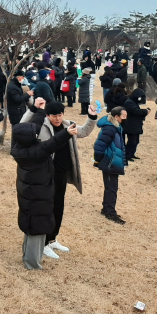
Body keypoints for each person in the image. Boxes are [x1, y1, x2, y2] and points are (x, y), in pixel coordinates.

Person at [21, 99, 97, 259]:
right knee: (46, 208)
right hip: (45, 174)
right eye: (54, 115)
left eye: (60, 115)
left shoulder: (68, 125)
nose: (57, 118)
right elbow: (22, 125)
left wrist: (91, 117)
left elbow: (83, 132)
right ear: (48, 115)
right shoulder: (41, 126)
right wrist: (34, 109)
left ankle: (52, 238)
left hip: (62, 174)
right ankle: (44, 243)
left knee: (58, 206)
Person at [11, 100, 79, 269]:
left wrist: (36, 110)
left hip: (30, 192)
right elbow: (51, 144)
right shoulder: (35, 152)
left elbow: (21, 127)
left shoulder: (19, 148)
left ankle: (31, 256)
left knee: (31, 227)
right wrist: (66, 133)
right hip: (37, 193)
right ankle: (32, 263)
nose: (37, 135)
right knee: (37, 228)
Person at [93, 106, 127, 225]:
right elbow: (99, 146)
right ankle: (109, 211)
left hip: (113, 162)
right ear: (116, 117)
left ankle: (107, 209)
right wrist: (99, 160)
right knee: (111, 188)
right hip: (109, 162)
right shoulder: (110, 129)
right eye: (123, 116)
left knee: (112, 187)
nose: (125, 119)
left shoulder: (116, 127)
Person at [123, 88, 150, 161]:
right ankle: (127, 155)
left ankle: (132, 153)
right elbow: (135, 111)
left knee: (136, 141)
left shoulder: (133, 102)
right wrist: (145, 111)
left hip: (135, 125)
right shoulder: (129, 102)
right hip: (131, 125)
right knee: (131, 141)